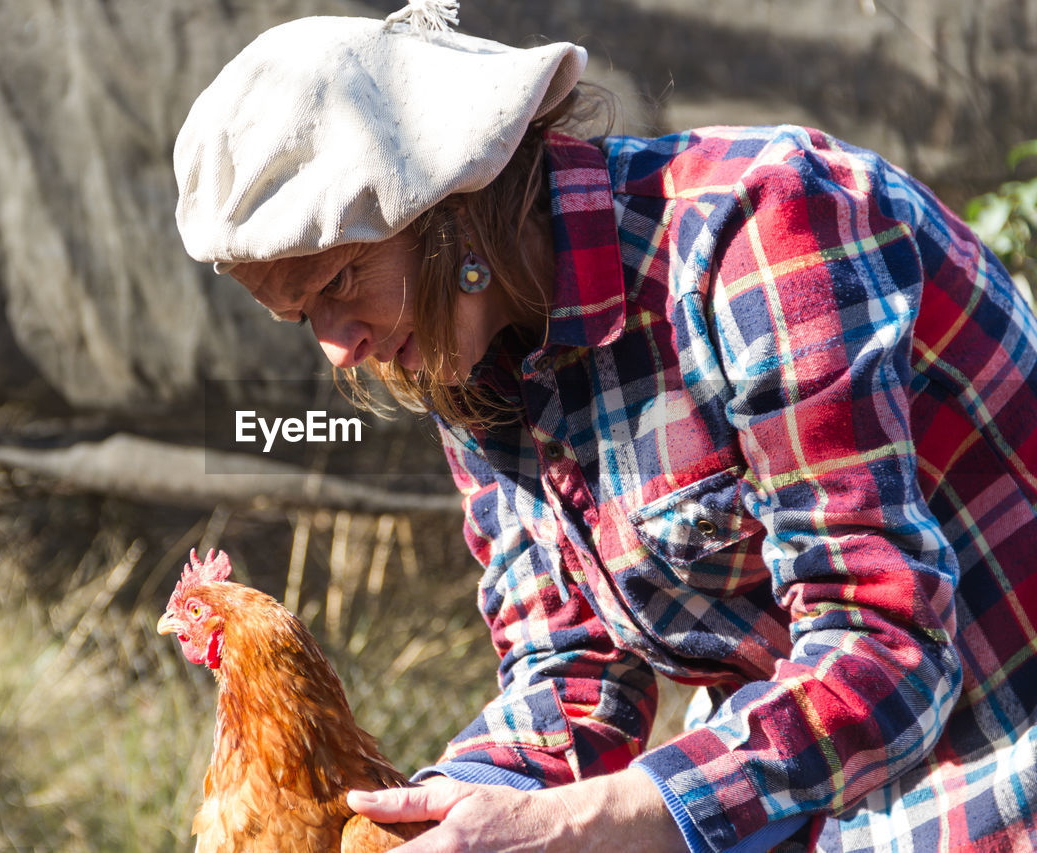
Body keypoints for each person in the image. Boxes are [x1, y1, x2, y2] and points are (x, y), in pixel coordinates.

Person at [171, 3, 1037, 851]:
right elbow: (569, 664)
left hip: (998, 734)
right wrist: (429, 822)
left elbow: (887, 651)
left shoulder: (757, 229)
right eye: (302, 317)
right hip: (810, 759)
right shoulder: (467, 350)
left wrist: (601, 816)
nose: (338, 349)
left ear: (448, 202)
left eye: (342, 280)